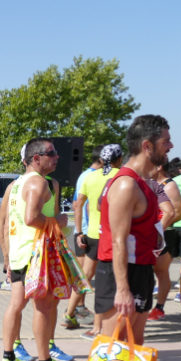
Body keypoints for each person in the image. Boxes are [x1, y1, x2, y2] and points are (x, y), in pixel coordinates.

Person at [86, 114, 173, 361]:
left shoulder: (144, 184)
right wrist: (122, 288)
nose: (171, 145)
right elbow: (117, 240)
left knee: (134, 343)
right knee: (112, 341)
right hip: (117, 272)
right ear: (148, 145)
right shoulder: (124, 183)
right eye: (165, 141)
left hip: (140, 270)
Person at [0, 139, 73, 361]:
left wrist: (7, 257)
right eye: (52, 153)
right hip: (37, 254)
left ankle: (8, 357)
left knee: (16, 305)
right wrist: (57, 222)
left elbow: (8, 222)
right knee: (44, 306)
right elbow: (31, 218)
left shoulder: (17, 184)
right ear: (36, 158)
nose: (57, 157)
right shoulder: (39, 183)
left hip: (20, 253)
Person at [72, 144, 123, 339]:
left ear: (101, 160)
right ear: (119, 159)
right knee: (113, 282)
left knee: (88, 277)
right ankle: (103, 326)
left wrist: (78, 232)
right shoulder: (122, 175)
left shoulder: (90, 177)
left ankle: (74, 311)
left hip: (91, 233)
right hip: (114, 236)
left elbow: (78, 205)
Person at [63, 147, 102, 328]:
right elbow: (80, 205)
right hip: (90, 232)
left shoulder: (85, 175)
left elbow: (76, 203)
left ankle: (78, 308)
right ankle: (73, 310)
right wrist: (81, 231)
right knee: (85, 274)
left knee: (85, 274)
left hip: (85, 231)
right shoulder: (93, 176)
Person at [147, 160, 181, 320]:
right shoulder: (148, 183)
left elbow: (179, 212)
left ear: (159, 167)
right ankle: (143, 307)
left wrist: (161, 226)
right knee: (145, 271)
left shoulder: (169, 185)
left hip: (165, 233)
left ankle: (159, 308)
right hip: (147, 233)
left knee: (161, 272)